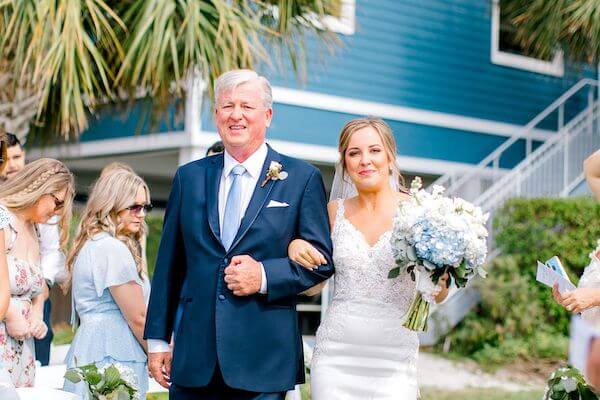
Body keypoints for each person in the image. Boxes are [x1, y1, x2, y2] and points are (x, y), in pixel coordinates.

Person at [144, 69, 334, 400]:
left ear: (268, 115)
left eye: (247, 106)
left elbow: (321, 263)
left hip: (262, 359)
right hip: (194, 360)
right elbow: (169, 266)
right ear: (216, 114)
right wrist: (158, 340)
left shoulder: (301, 178)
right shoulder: (189, 177)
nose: (236, 115)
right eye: (227, 106)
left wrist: (263, 275)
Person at [286, 118, 449, 399]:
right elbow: (314, 286)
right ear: (345, 163)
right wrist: (296, 250)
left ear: (390, 156)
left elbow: (438, 295)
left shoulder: (422, 212)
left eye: (374, 150)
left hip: (395, 362)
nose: (365, 160)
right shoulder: (332, 213)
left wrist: (443, 270)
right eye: (354, 153)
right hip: (336, 360)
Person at [63, 169, 152, 399]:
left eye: (145, 207)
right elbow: (138, 317)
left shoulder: (95, 244)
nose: (141, 214)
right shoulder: (111, 248)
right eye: (134, 207)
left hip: (93, 348)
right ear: (112, 205)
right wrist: (158, 355)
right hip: (112, 354)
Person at [0, 158, 74, 387]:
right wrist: (12, 314)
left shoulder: (36, 230)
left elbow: (39, 283)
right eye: (57, 202)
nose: (57, 212)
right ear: (40, 190)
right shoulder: (3, 219)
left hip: (23, 348)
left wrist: (37, 312)